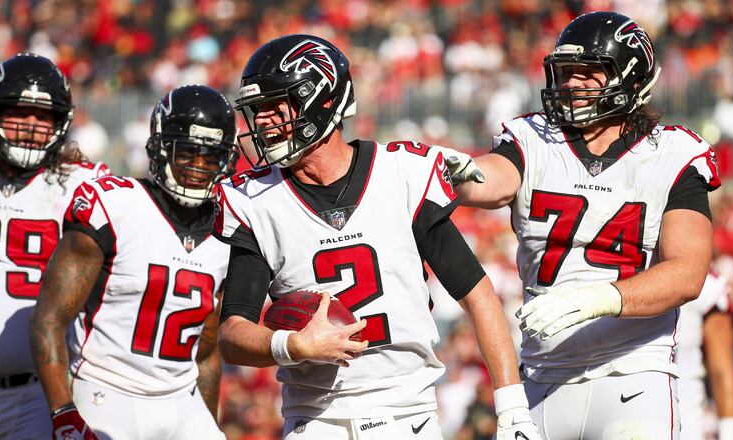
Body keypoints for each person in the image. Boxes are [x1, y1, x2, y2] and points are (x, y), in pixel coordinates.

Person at [213, 34, 540, 440]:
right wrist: (293, 345)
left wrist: (512, 410)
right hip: (315, 421)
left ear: (322, 100)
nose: (261, 121)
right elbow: (232, 333)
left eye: (274, 107)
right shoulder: (254, 200)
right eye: (256, 110)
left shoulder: (402, 174)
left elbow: (478, 295)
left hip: (407, 416)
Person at [441, 11, 721, 438]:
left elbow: (687, 273)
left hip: (633, 374)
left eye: (587, 72)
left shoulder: (673, 155)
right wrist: (460, 174)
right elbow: (492, 181)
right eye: (566, 72)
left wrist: (595, 299)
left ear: (631, 77)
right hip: (541, 377)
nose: (571, 83)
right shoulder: (535, 139)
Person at [29, 84, 237, 440]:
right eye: (188, 151)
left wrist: (208, 422)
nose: (199, 166)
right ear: (160, 148)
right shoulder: (115, 206)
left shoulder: (227, 228)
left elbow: (205, 353)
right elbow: (49, 320)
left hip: (182, 399)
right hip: (108, 393)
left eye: (211, 156)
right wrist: (63, 413)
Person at [0, 53, 108, 440]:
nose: (31, 125)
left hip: (32, 395)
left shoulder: (85, 184)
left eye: (43, 116)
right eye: (19, 112)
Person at [678, 273, 733, 439]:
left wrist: (731, 434)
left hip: (685, 424)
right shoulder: (619, 272)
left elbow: (722, 373)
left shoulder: (707, 286)